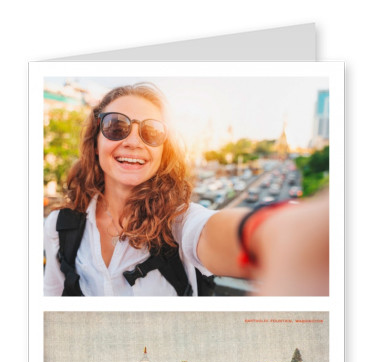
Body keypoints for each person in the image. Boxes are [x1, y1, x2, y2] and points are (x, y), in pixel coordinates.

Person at [44, 82, 329, 296]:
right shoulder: (59, 226)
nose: (133, 142)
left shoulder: (178, 222)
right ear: (95, 140)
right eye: (116, 126)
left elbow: (212, 232)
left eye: (151, 131)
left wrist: (278, 233)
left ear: (163, 151)